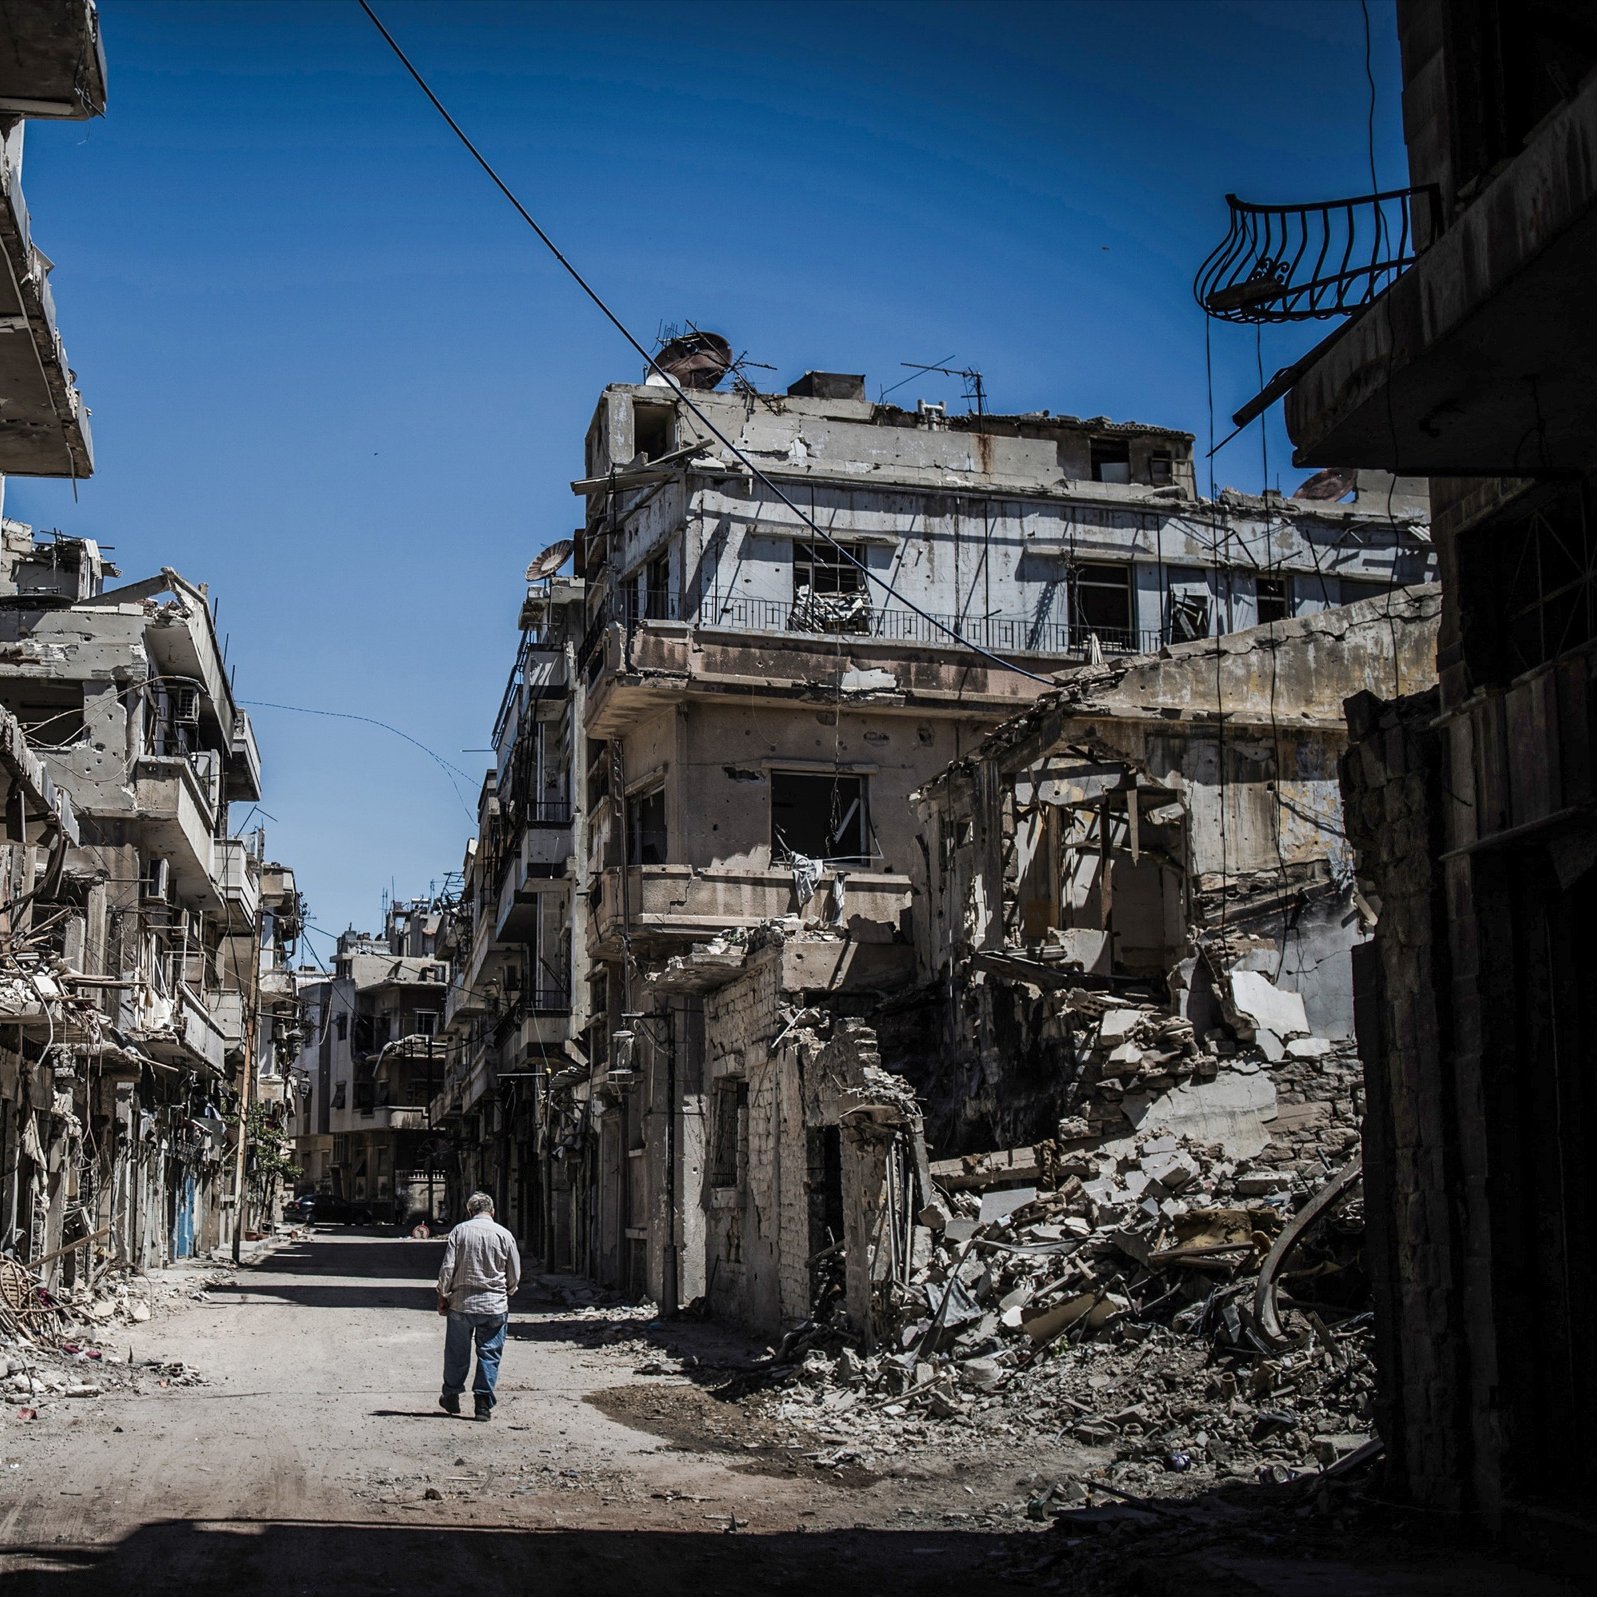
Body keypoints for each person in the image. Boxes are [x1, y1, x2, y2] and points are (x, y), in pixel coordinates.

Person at [436, 1191, 520, 1421]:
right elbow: (514, 1273)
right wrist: (507, 1291)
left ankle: (452, 1396)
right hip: (494, 1306)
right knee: (489, 1353)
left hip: (461, 1304)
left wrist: (443, 1295)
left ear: (469, 1211)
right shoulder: (504, 1235)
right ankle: (482, 1403)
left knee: (456, 1353)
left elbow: (447, 1268)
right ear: (492, 1212)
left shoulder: (460, 1231)